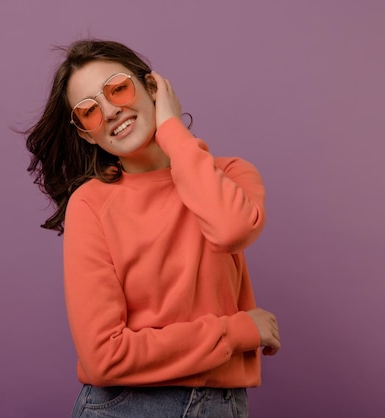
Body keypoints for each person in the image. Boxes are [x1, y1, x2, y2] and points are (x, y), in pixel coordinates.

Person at [25, 39, 281, 418]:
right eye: (89, 111)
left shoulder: (230, 175)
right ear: (84, 133)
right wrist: (237, 331)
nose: (110, 111)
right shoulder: (91, 204)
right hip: (127, 407)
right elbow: (104, 358)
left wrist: (172, 131)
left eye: (118, 88)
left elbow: (231, 231)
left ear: (152, 87)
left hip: (223, 406)